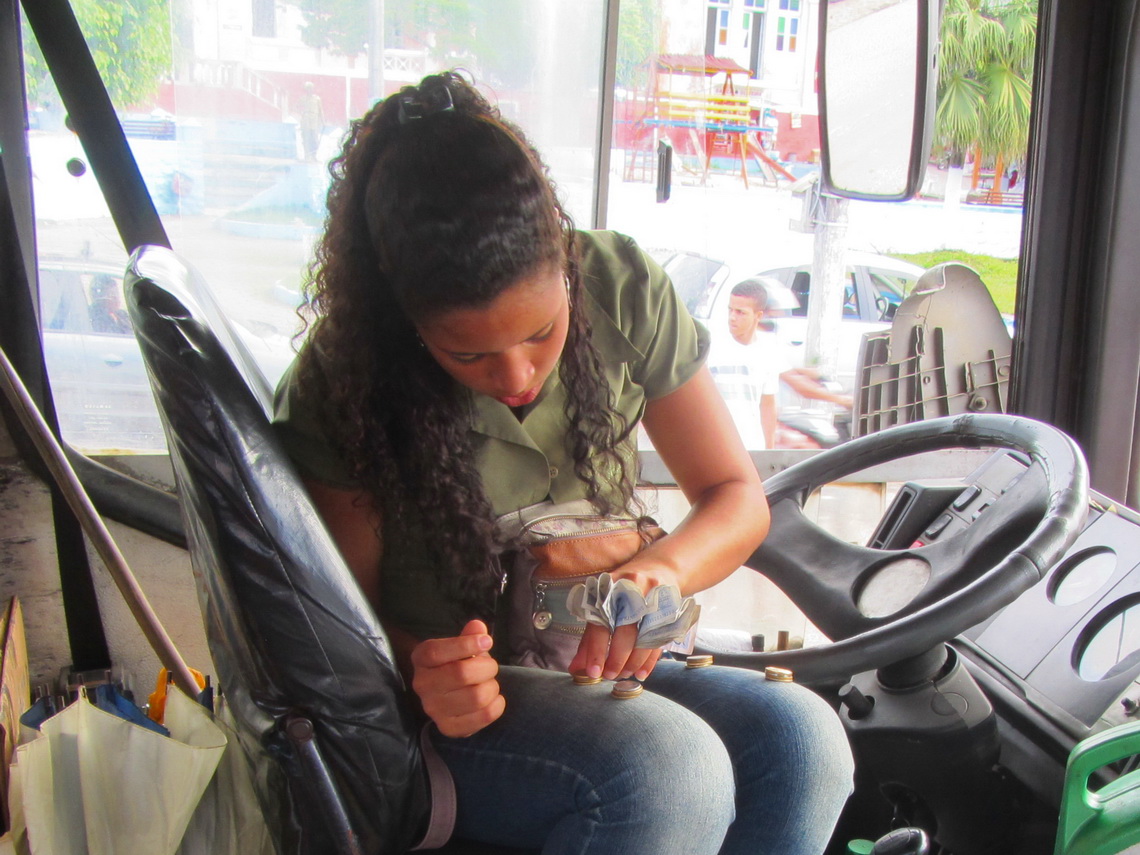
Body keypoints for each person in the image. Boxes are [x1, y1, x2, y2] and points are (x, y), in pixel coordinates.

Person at [272, 71, 852, 854]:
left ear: (567, 268)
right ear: (404, 320)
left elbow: (733, 496)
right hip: (459, 712)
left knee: (800, 737)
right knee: (665, 769)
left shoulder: (621, 286)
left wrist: (662, 572)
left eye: (542, 332)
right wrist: (424, 666)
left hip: (586, 666)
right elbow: (344, 631)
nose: (516, 375)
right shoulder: (343, 378)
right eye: (468, 352)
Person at [707, 279, 784, 449]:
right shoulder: (710, 346)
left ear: (758, 316)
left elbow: (768, 405)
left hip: (750, 447)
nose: (732, 317)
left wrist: (768, 450)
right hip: (713, 446)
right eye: (730, 310)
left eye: (741, 312)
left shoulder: (768, 351)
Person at [298, 81, 324, 161]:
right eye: (307, 88)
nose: (309, 90)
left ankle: (314, 156)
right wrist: (301, 114)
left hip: (314, 120)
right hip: (306, 120)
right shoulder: (302, 98)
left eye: (310, 88)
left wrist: (323, 121)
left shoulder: (317, 99)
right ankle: (307, 156)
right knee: (306, 138)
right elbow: (297, 107)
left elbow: (320, 110)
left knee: (314, 139)